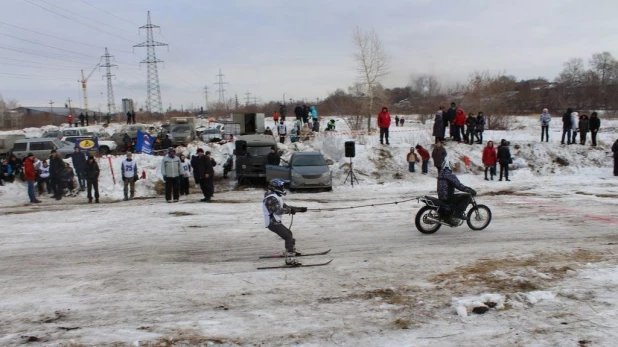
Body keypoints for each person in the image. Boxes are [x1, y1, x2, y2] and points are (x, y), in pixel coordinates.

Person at [262, 178, 308, 265]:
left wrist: (299, 209)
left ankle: (290, 250)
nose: (283, 189)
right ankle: (290, 259)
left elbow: (285, 207)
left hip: (276, 222)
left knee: (289, 233)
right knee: (287, 237)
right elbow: (277, 211)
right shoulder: (271, 198)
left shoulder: (276, 196)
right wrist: (290, 211)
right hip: (272, 223)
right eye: (281, 187)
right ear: (275, 187)